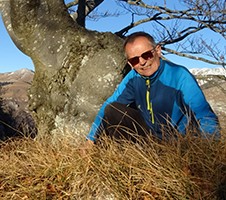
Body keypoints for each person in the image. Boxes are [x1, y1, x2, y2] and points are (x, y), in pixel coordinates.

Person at [84, 32, 220, 149]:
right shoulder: (132, 78)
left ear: (158, 51)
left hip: (178, 144)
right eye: (135, 60)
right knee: (113, 110)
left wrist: (212, 150)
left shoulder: (179, 75)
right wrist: (90, 140)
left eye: (147, 55)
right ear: (130, 64)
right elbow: (109, 104)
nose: (142, 62)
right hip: (150, 138)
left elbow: (204, 115)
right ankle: (127, 161)